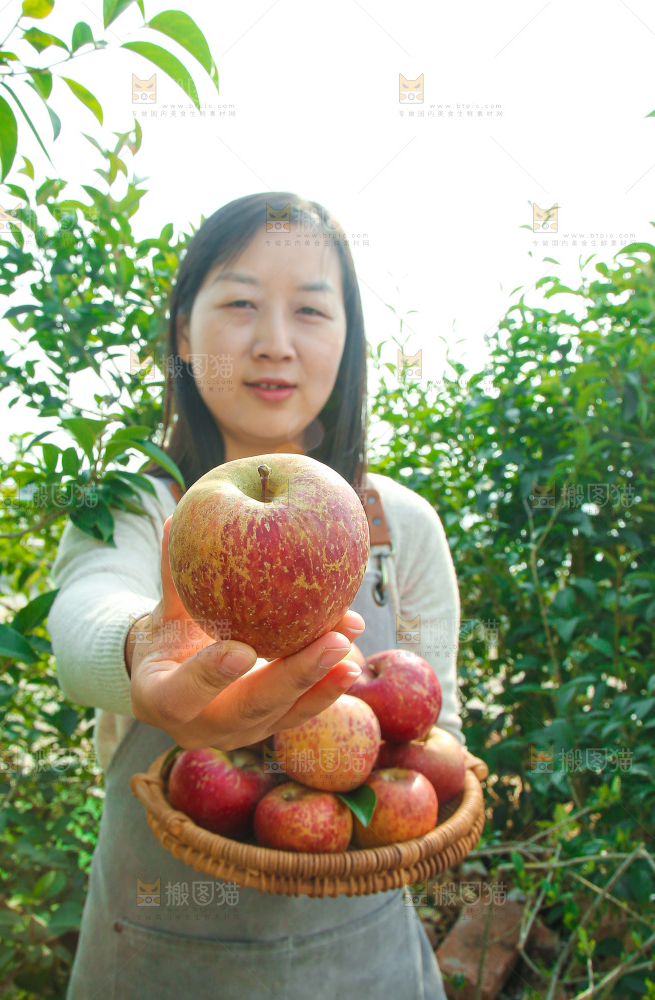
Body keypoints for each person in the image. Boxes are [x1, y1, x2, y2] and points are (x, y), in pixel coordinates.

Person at [48, 192, 464, 1000]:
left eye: (311, 311)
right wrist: (141, 650)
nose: (274, 343)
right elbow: (82, 617)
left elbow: (433, 736)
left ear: (348, 341)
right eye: (240, 303)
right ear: (182, 333)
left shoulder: (401, 526)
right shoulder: (136, 506)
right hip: (156, 951)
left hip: (364, 961)